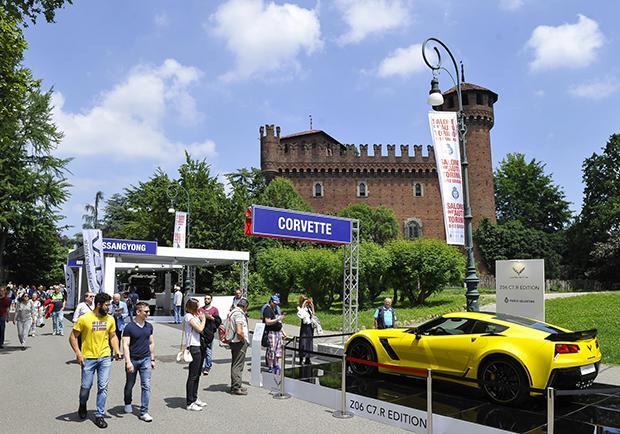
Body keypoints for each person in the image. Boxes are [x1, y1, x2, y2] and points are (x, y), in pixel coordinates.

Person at [69, 292, 121, 429]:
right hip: (88, 358)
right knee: (86, 387)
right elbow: (73, 337)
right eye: (107, 305)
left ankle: (99, 415)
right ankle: (82, 404)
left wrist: (116, 350)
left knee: (103, 387)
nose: (109, 308)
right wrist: (78, 353)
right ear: (98, 305)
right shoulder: (84, 319)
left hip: (105, 357)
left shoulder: (110, 319)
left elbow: (113, 336)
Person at [122, 302, 155, 422]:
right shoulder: (129, 327)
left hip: (145, 359)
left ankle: (144, 412)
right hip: (133, 360)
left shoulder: (149, 326)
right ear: (138, 312)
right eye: (146, 311)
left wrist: (152, 359)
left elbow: (151, 343)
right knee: (130, 384)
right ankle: (127, 402)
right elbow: (125, 345)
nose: (148, 313)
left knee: (146, 385)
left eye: (148, 311)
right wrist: (128, 362)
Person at [184, 298, 207, 411]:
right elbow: (199, 329)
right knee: (192, 375)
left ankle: (195, 397)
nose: (199, 307)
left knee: (198, 374)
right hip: (193, 346)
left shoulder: (195, 315)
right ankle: (189, 402)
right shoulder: (188, 316)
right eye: (197, 306)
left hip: (200, 345)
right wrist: (203, 320)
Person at [229, 298, 249, 395]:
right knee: (238, 365)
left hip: (233, 341)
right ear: (245, 306)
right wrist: (243, 340)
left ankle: (237, 384)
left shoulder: (232, 312)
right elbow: (239, 331)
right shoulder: (239, 314)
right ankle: (236, 387)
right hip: (238, 342)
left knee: (236, 363)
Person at [262, 295, 285, 374]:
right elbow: (267, 322)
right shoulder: (267, 310)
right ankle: (270, 366)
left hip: (277, 332)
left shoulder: (274, 309)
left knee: (278, 350)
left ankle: (276, 364)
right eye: (275, 303)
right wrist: (278, 319)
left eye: (277, 304)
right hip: (271, 332)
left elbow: (277, 321)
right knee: (271, 350)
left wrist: (283, 332)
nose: (276, 305)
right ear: (271, 302)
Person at [199, 293, 220, 376]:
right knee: (201, 350)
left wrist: (211, 318)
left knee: (208, 350)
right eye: (205, 298)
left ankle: (207, 366)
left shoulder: (214, 310)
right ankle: (202, 364)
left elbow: (218, 321)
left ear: (211, 300)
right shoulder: (200, 309)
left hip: (210, 333)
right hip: (201, 332)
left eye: (208, 299)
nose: (206, 300)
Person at [297, 295, 315, 365]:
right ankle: (301, 358)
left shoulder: (309, 309)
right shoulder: (301, 309)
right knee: (303, 343)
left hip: (310, 328)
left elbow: (314, 315)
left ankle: (308, 358)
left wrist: (312, 306)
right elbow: (301, 314)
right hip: (304, 328)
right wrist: (304, 304)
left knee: (309, 343)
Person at [110, 293, 129, 357]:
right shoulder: (109, 304)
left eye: (117, 299)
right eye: (115, 299)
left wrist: (121, 315)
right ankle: (110, 353)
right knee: (110, 338)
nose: (116, 301)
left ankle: (117, 353)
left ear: (119, 298)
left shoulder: (123, 304)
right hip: (111, 323)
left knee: (118, 338)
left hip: (119, 324)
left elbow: (126, 313)